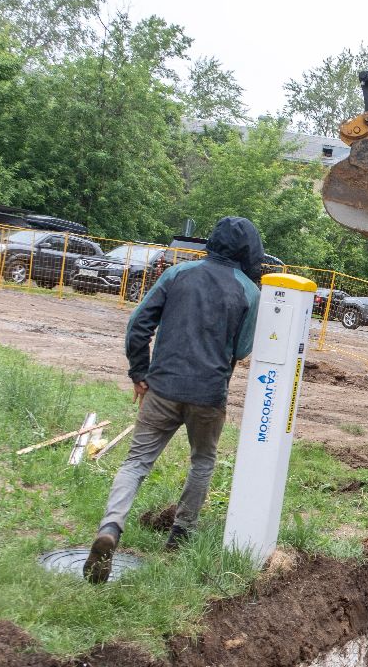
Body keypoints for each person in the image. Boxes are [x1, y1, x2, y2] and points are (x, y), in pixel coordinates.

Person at [83, 217, 264, 583]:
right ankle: (181, 534)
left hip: (162, 388)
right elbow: (243, 349)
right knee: (202, 461)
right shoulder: (249, 292)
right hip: (209, 394)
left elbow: (139, 324)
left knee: (136, 462)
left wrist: (139, 373)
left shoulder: (177, 274)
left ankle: (111, 528)